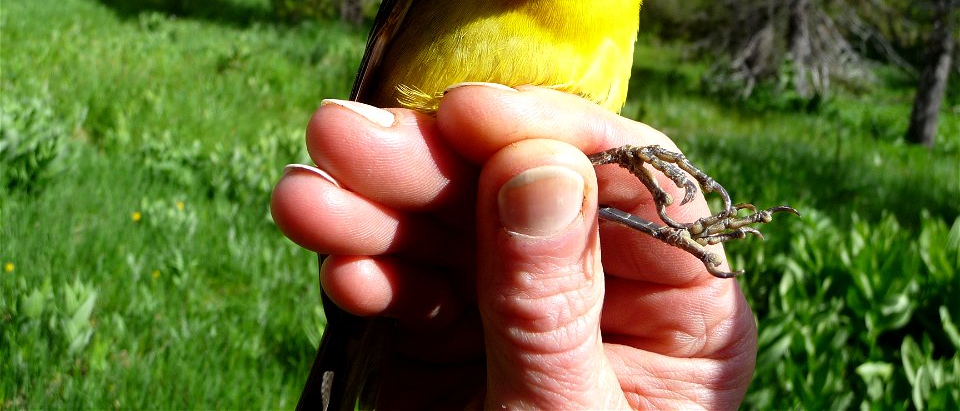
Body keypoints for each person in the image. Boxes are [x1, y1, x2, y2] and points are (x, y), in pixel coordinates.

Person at [271, 83, 757, 410]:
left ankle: (671, 229)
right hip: (440, 190)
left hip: (450, 247)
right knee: (555, 189)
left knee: (565, 184)